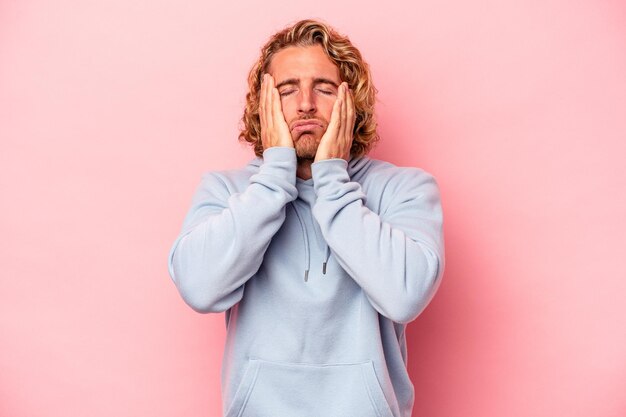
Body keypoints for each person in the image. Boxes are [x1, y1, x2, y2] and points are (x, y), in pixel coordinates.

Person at [168, 19, 445, 417]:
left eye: (325, 88)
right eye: (287, 89)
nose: (305, 105)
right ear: (263, 104)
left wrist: (331, 178)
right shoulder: (227, 192)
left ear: (353, 103)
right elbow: (199, 288)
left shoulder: (406, 189)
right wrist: (274, 177)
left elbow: (405, 296)